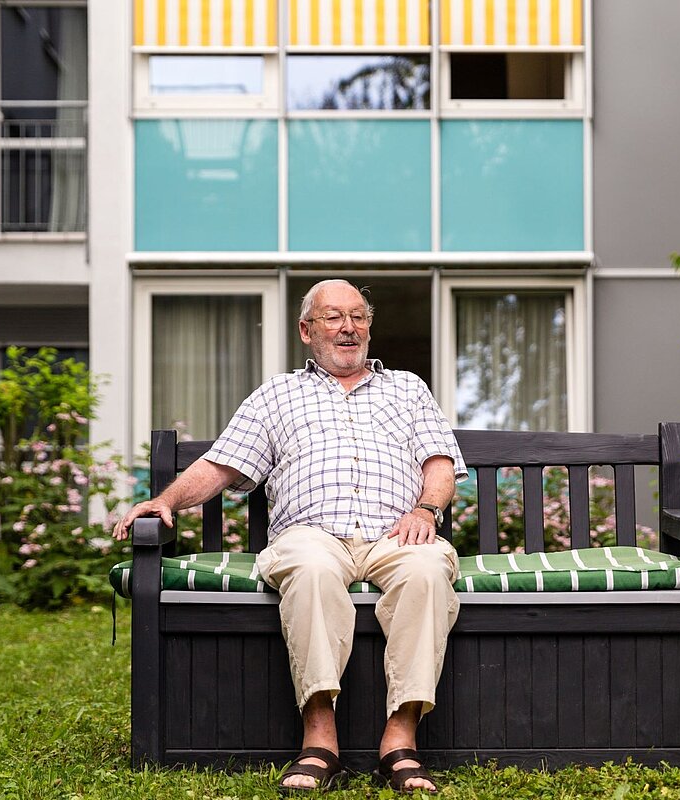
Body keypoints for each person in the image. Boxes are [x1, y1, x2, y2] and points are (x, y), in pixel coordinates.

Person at [113, 279, 467, 794]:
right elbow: (220, 465)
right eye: (333, 317)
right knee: (311, 568)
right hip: (310, 534)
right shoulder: (278, 394)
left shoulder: (408, 389)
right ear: (306, 330)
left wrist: (426, 509)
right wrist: (166, 500)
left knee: (428, 569)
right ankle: (320, 738)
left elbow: (439, 462)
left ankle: (401, 739)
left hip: (397, 531)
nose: (348, 328)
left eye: (358, 317)